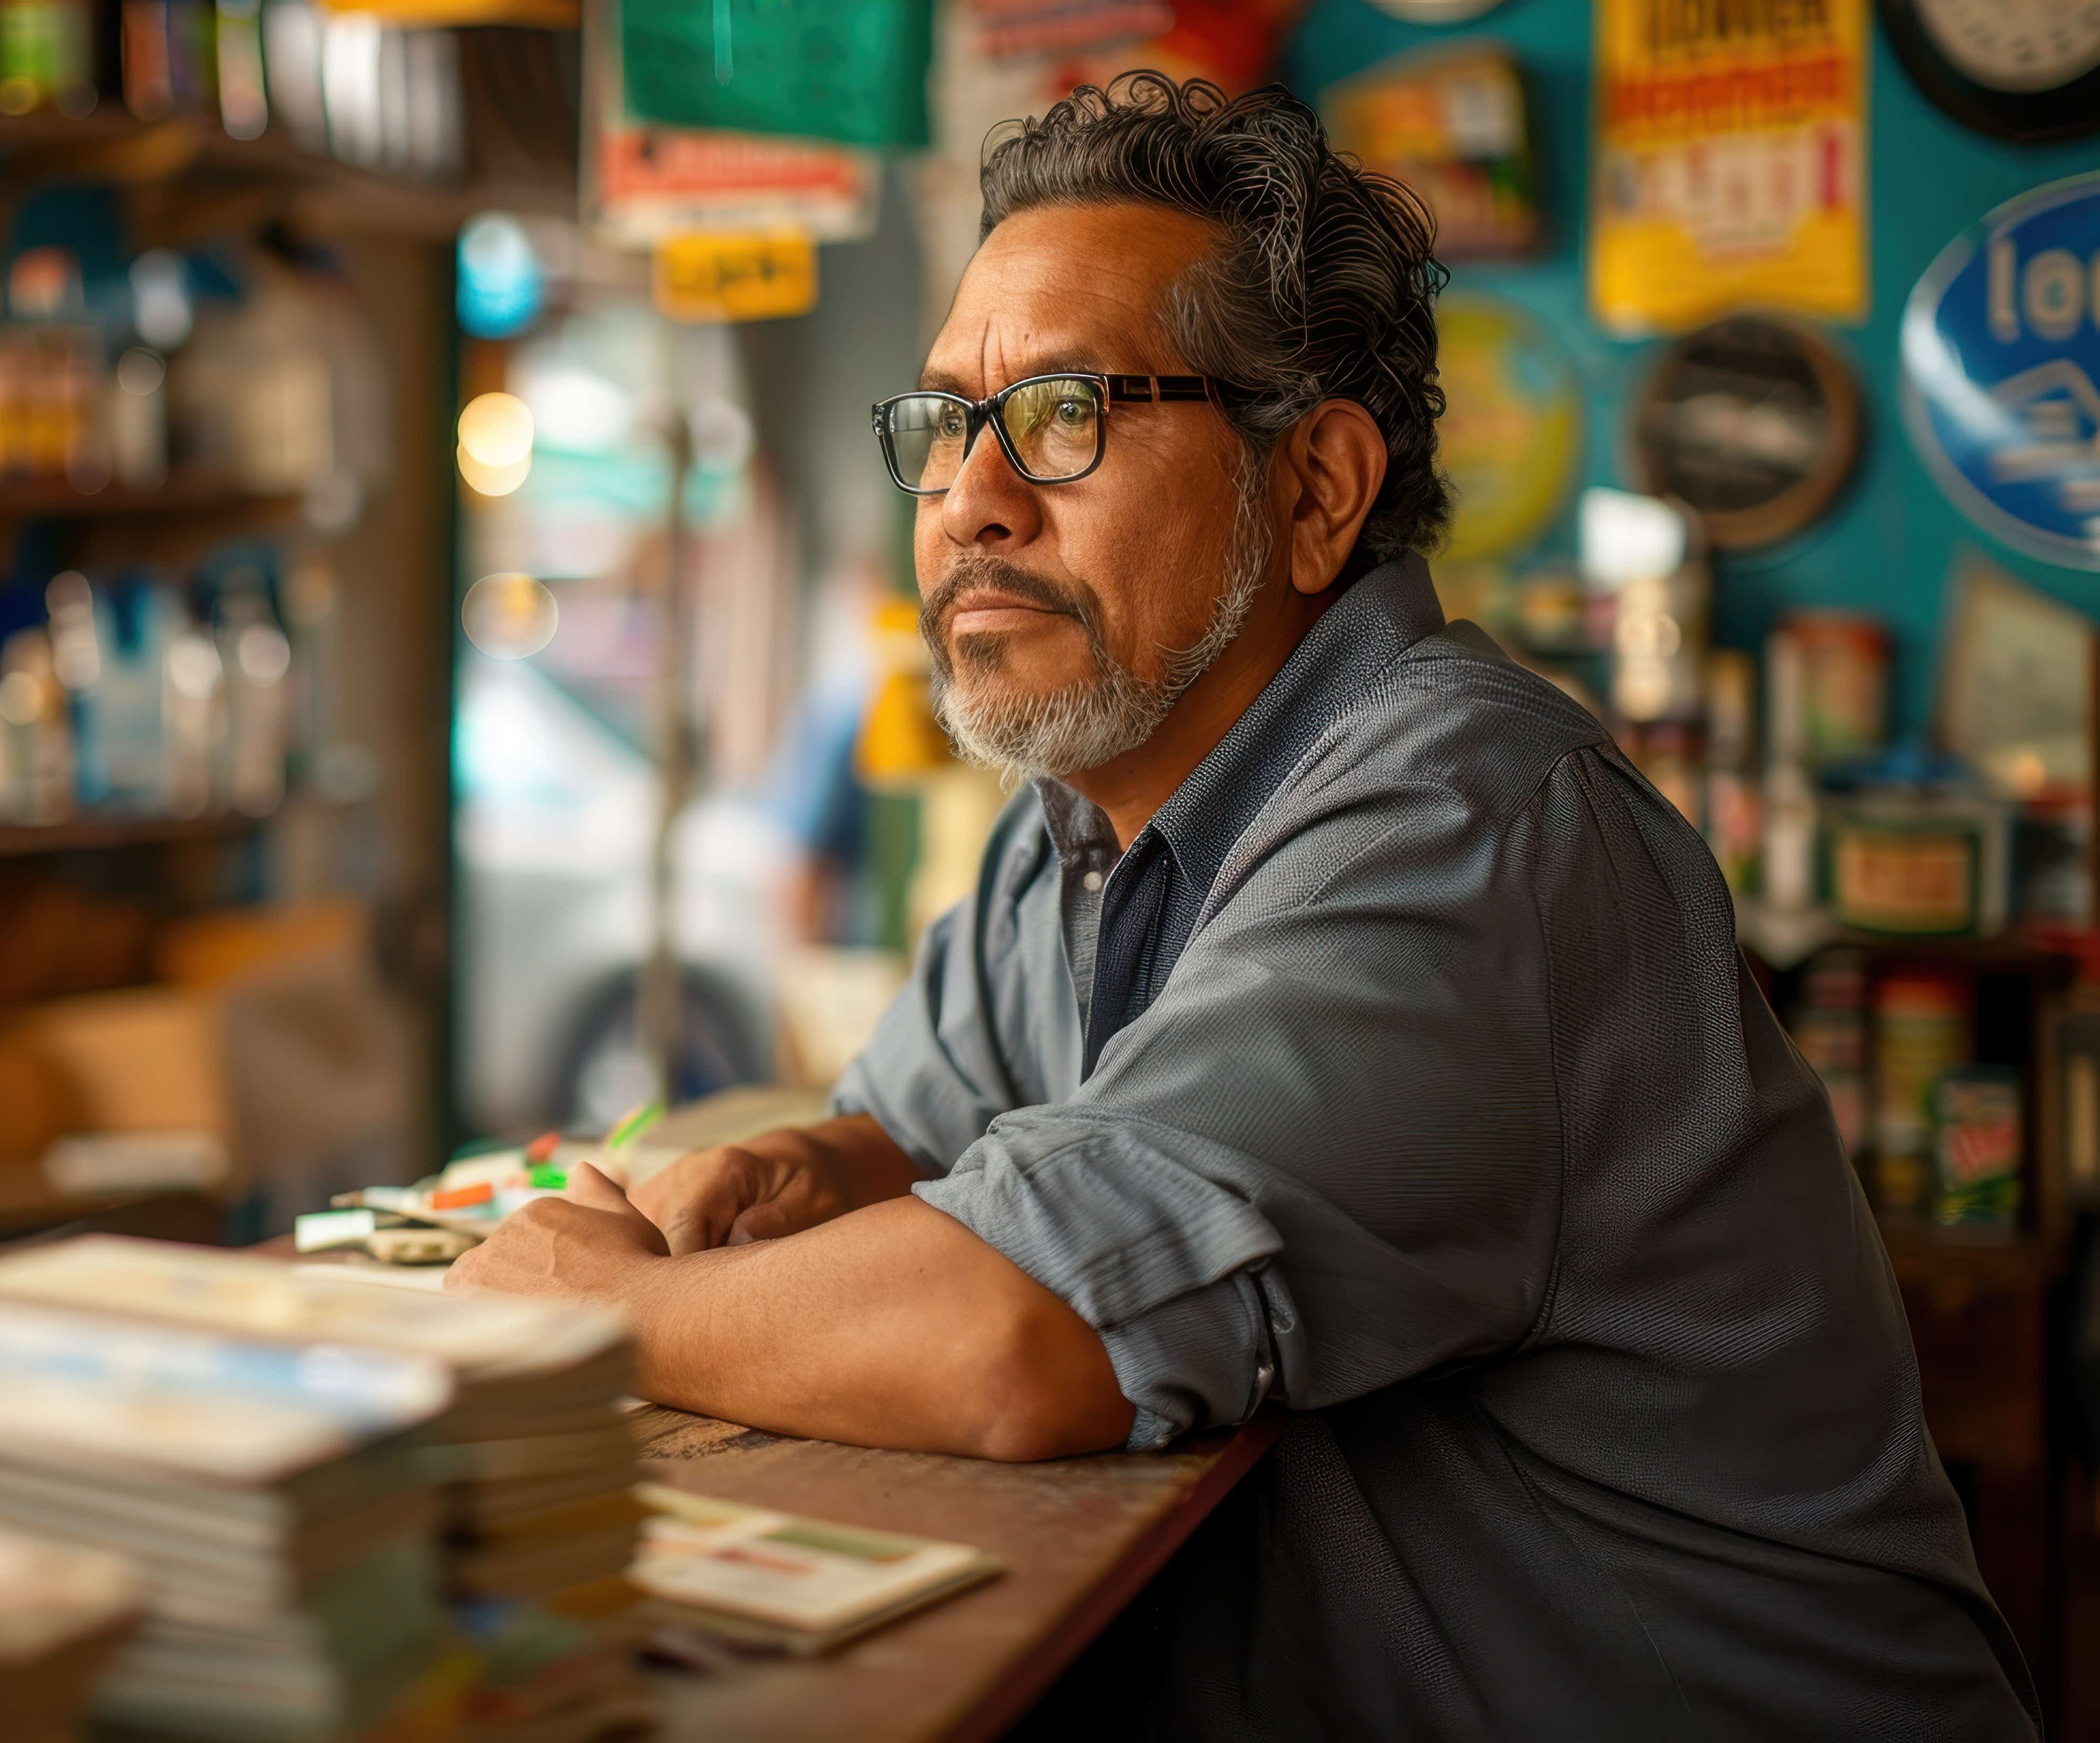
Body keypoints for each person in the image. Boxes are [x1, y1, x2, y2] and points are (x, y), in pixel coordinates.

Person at [446, 74, 2038, 1737]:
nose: (973, 499)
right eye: (943, 426)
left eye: (1065, 414)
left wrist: (602, 1311)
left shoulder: (1466, 818)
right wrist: (793, 1174)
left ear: (1318, 492)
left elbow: (1016, 1335)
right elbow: (922, 1137)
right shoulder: (1079, 801)